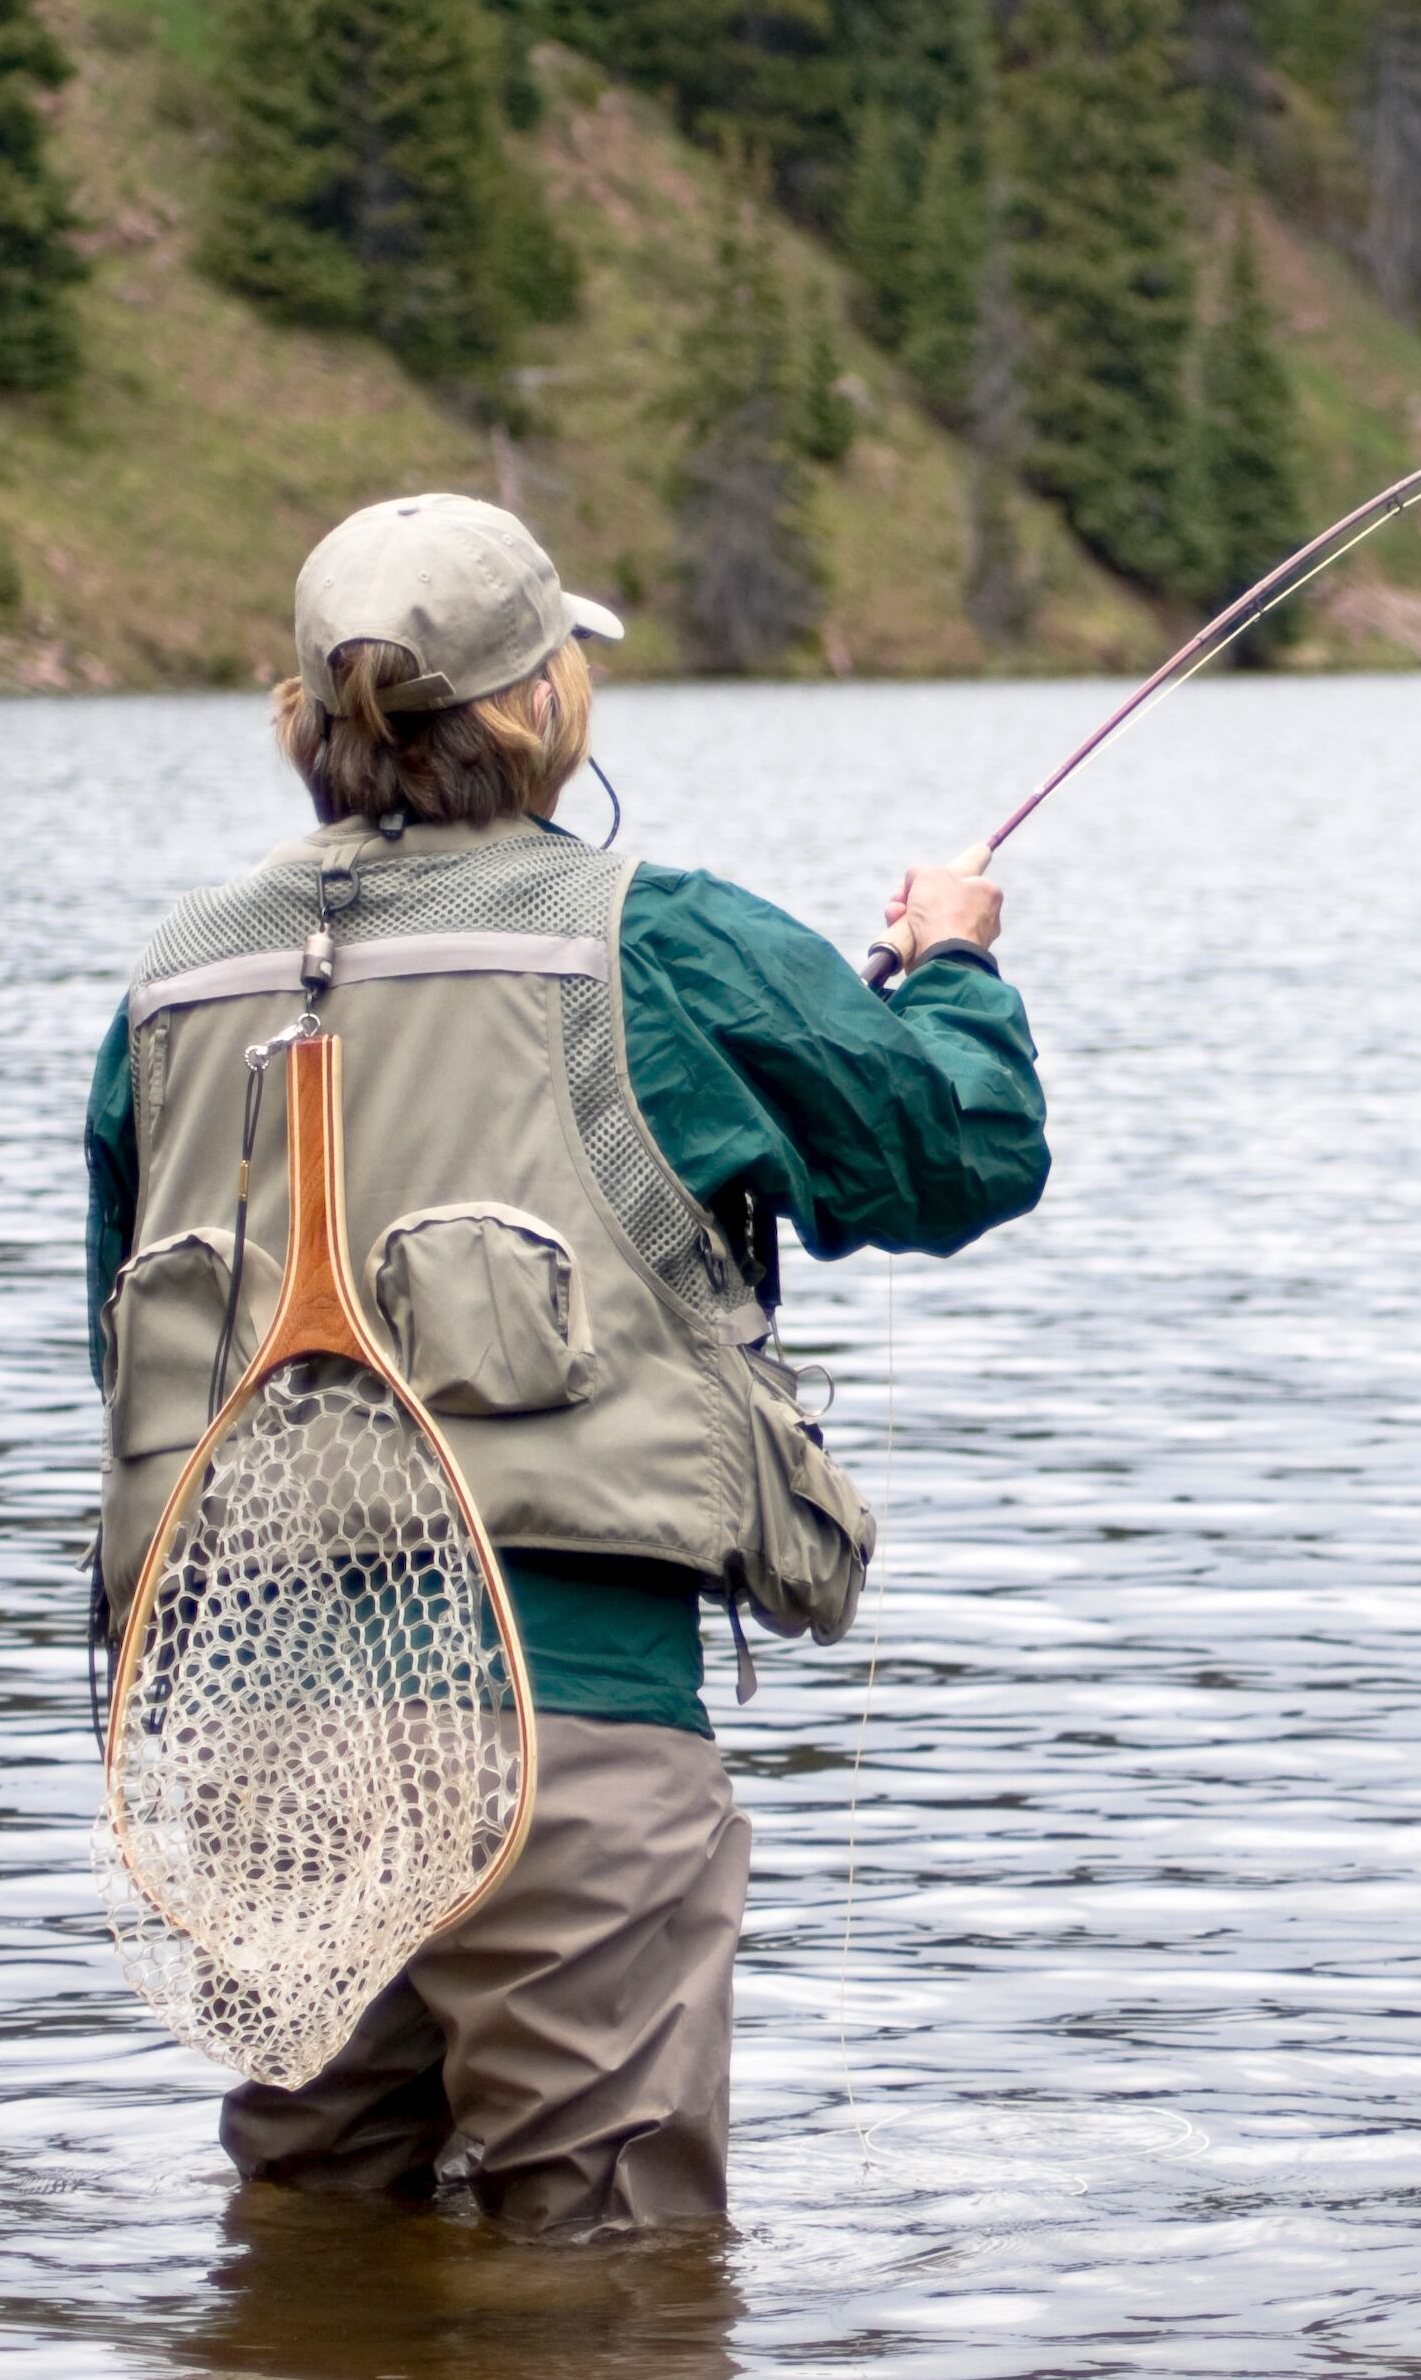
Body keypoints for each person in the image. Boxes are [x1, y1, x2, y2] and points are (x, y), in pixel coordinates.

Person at [84, 492, 1047, 2237]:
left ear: (311, 715)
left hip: (254, 1725)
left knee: (313, 2240)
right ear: (541, 709)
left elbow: (125, 1338)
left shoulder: (170, 983)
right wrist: (954, 968)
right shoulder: (649, 938)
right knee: (607, 2293)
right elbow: (949, 1155)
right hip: (570, 1726)